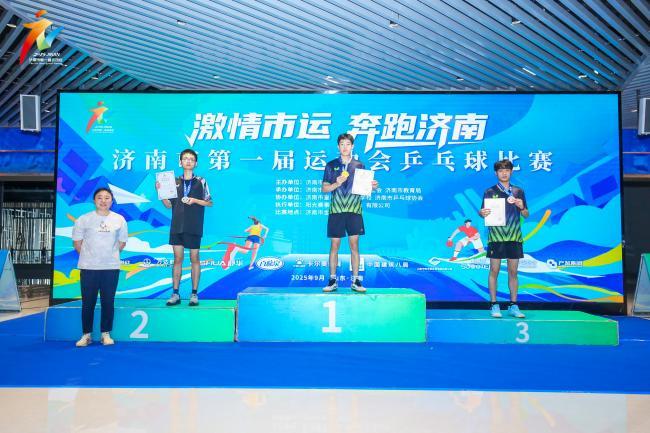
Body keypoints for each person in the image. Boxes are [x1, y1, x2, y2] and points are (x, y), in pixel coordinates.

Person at [321, 133, 378, 293]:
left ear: (352, 146)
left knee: (354, 246)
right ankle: (332, 280)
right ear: (338, 146)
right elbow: (324, 189)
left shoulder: (359, 165)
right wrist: (336, 183)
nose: (345, 147)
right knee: (334, 245)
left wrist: (372, 187)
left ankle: (356, 281)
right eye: (342, 144)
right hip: (336, 210)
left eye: (348, 144)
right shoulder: (331, 165)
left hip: (354, 210)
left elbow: (364, 188)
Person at [72, 188, 128, 347]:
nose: (103, 201)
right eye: (100, 198)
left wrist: (108, 256)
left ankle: (105, 333)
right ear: (94, 200)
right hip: (88, 268)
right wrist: (90, 257)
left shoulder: (119, 219)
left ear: (112, 200)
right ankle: (86, 335)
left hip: (110, 268)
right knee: (87, 302)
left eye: (107, 198)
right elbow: (77, 243)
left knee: (108, 302)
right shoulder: (84, 219)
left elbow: (122, 243)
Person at [157, 149, 212, 306]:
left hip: (194, 226)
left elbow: (209, 202)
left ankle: (194, 294)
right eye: (185, 159)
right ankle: (175, 293)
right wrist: (160, 191)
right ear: (180, 162)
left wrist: (194, 200)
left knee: (195, 258)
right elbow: (168, 205)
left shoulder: (201, 181)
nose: (188, 161)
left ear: (196, 163)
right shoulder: (172, 182)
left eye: (191, 159)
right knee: (177, 259)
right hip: (177, 226)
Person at [478, 159, 529, 318]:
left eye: (507, 170)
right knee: (494, 270)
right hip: (496, 237)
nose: (504, 173)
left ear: (511, 172)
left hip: (514, 237)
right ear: (496, 173)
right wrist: (481, 213)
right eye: (501, 170)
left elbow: (526, 214)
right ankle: (494, 305)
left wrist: (521, 206)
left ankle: (513, 305)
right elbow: (482, 212)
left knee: (513, 272)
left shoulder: (518, 191)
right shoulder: (489, 191)